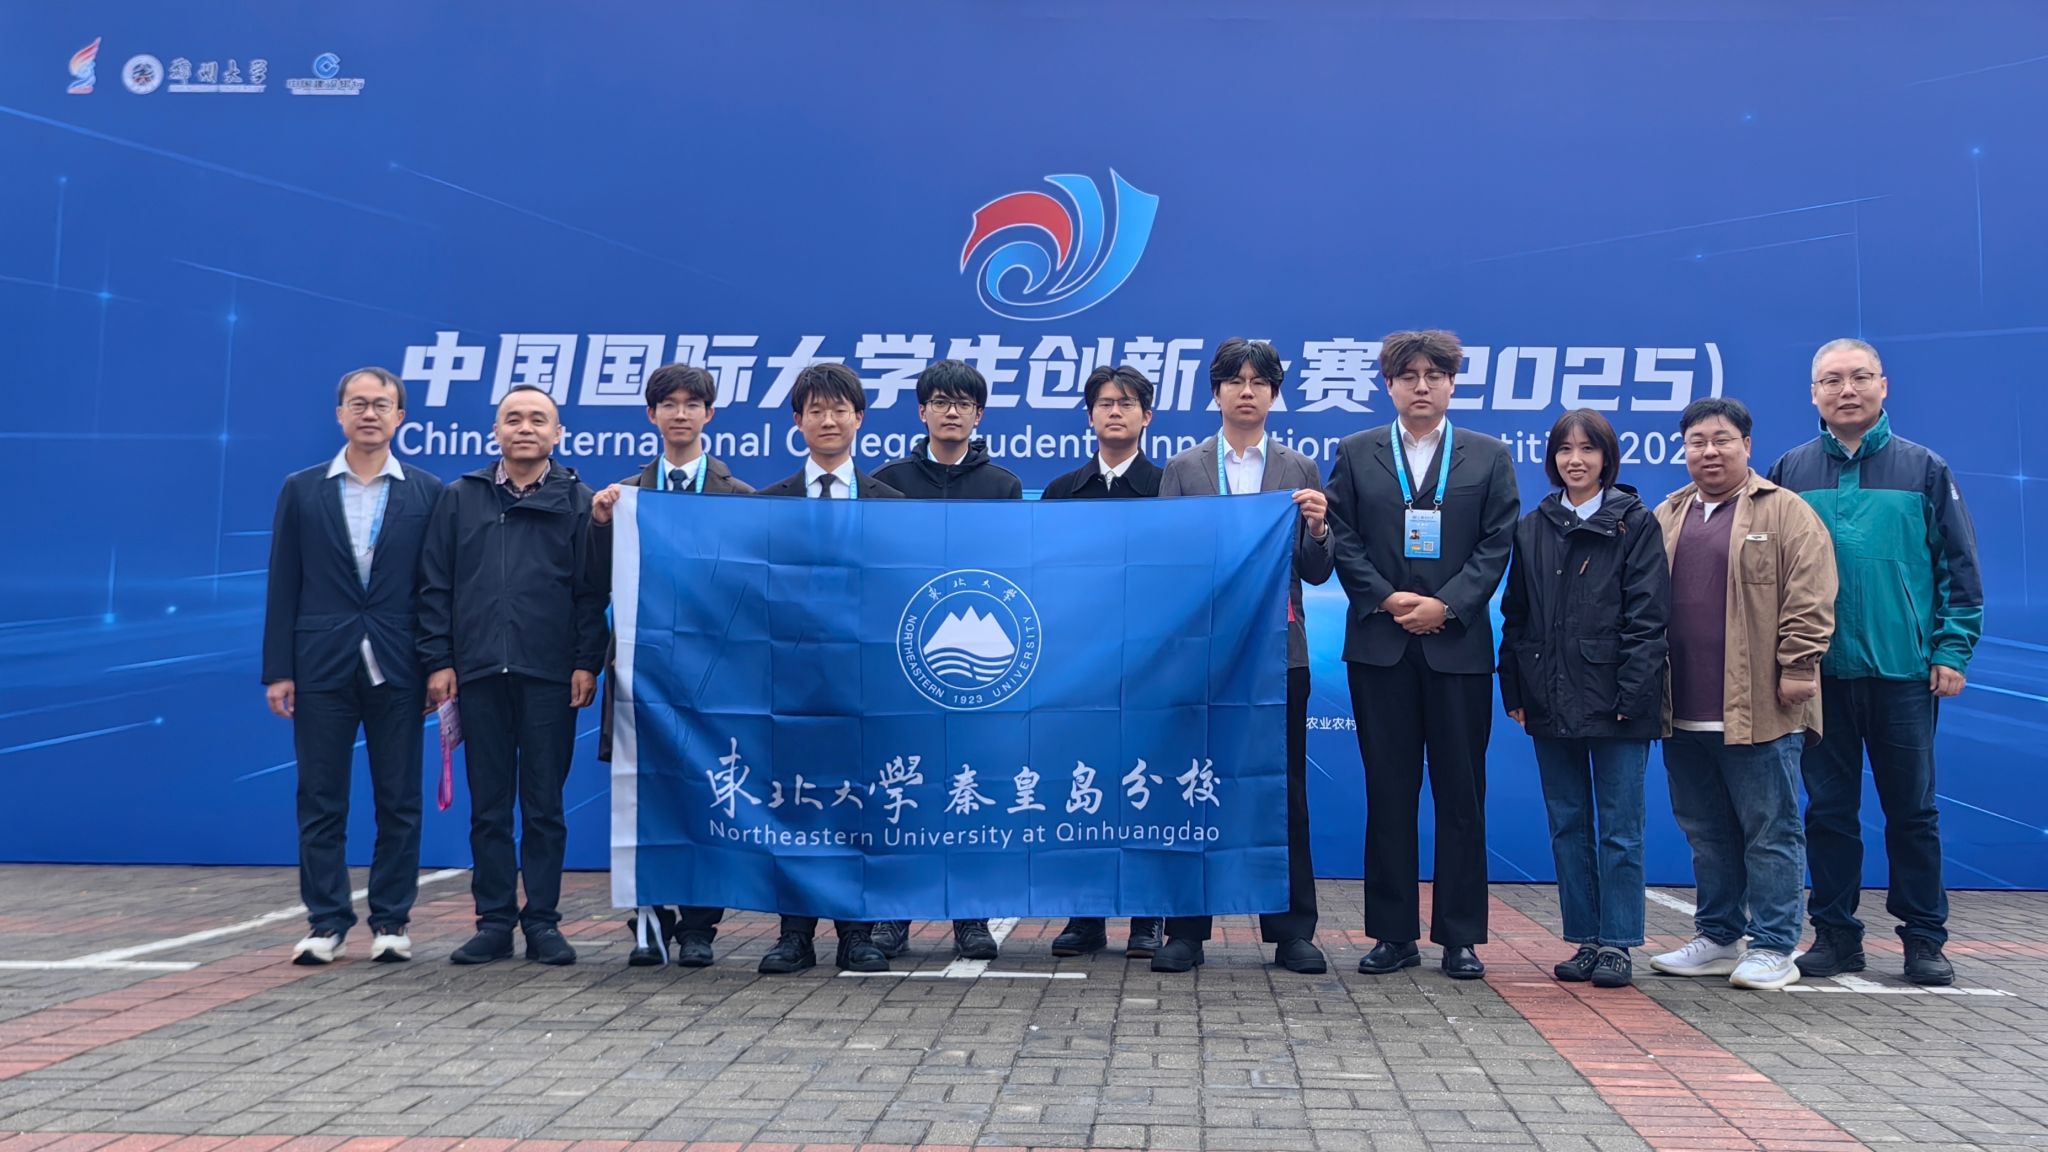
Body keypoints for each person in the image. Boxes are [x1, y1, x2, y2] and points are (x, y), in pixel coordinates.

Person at [1768, 339, 1981, 987]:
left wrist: (1951, 649)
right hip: (1818, 677)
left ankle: (1924, 939)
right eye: (1831, 380)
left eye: (1860, 377)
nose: (1847, 390)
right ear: (1813, 394)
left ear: (1883, 386)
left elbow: (1959, 569)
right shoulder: (1791, 470)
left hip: (1903, 674)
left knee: (1912, 813)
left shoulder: (1924, 469)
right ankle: (1835, 936)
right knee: (1828, 813)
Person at [1324, 329, 1519, 981]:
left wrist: (1448, 605)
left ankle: (1460, 937)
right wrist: (1384, 598)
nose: (1422, 386)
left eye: (1435, 375)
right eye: (1408, 376)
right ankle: (1393, 934)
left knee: (1461, 795)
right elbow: (1342, 537)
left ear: (1453, 383)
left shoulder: (1488, 456)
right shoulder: (1357, 452)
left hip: (1457, 647)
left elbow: (1497, 543)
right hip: (1380, 648)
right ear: (1389, 385)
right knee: (1389, 792)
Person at [1154, 339, 1334, 975]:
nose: (1247, 391)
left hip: (1279, 654)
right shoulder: (1184, 469)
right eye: (1235, 381)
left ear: (1275, 394)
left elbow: (1316, 571)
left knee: (1282, 790)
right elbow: (1165, 564)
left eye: (1260, 382)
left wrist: (1319, 528)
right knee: (1193, 784)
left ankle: (1292, 931)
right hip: (1203, 655)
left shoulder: (1299, 468)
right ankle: (1186, 930)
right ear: (1217, 392)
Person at [1648, 397, 1837, 991]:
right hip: (1681, 707)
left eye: (1722, 439)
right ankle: (1719, 936)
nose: (1709, 451)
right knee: (1705, 831)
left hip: (1762, 707)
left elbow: (1811, 596)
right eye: (1697, 441)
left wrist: (1799, 666)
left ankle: (1775, 945)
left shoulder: (1786, 512)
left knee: (1769, 829)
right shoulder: (1667, 514)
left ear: (1747, 446)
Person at [419, 385, 609, 966]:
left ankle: (543, 922)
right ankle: (494, 922)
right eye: (513, 418)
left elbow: (591, 593)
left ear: (558, 433)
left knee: (545, 805)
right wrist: (439, 661)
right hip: (478, 673)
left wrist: (585, 662)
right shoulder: (460, 498)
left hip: (550, 676)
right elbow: (435, 586)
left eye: (538, 419)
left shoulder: (579, 502)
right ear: (496, 431)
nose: (525, 428)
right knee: (490, 807)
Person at [262, 367, 443, 965]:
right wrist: (279, 669)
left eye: (381, 405)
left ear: (400, 418)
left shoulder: (428, 492)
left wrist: (437, 663)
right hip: (320, 665)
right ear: (339, 414)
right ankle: (326, 922)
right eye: (358, 404)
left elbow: (435, 588)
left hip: (400, 665)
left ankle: (391, 920)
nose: (370, 414)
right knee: (320, 798)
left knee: (399, 800)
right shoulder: (302, 489)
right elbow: (284, 581)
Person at [1498, 409, 1669, 989]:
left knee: (1620, 828)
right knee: (1568, 824)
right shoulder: (1533, 526)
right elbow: (1516, 617)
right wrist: (1516, 690)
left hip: (1618, 700)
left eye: (1587, 449)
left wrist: (1632, 693)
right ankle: (1586, 939)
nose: (1576, 460)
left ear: (1606, 458)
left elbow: (1649, 618)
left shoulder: (1635, 523)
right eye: (1565, 449)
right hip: (1549, 697)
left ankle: (1618, 943)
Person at [589, 363, 753, 968]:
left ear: (710, 414)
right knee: (645, 794)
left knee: (710, 792)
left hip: (713, 676)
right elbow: (592, 580)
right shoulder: (622, 497)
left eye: (692, 404)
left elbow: (748, 590)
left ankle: (701, 925)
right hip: (643, 674)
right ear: (651, 415)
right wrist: (599, 525)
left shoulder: (741, 499)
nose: (680, 414)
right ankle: (649, 916)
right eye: (669, 404)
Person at [869, 360, 1023, 962]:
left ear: (978, 415)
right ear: (922, 411)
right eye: (940, 401)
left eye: (963, 403)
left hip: (977, 665)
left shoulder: (1003, 487)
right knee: (903, 785)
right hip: (903, 659)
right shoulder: (887, 483)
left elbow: (1016, 570)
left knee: (970, 787)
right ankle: (894, 915)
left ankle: (971, 915)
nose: (951, 411)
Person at [753, 362, 901, 973]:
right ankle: (794, 935)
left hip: (863, 681)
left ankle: (857, 933)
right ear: (798, 421)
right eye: (816, 410)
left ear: (859, 418)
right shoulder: (768, 505)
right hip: (791, 683)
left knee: (856, 802)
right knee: (794, 802)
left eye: (840, 409)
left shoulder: (892, 506)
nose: (829, 420)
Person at [1041, 364, 1166, 959]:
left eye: (1127, 402)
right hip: (1080, 666)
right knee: (1082, 783)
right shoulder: (1062, 492)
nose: (1116, 412)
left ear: (1147, 416)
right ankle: (1084, 915)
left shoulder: (1170, 489)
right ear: (1090, 416)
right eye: (1105, 403)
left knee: (1146, 784)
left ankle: (1147, 917)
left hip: (1151, 665)